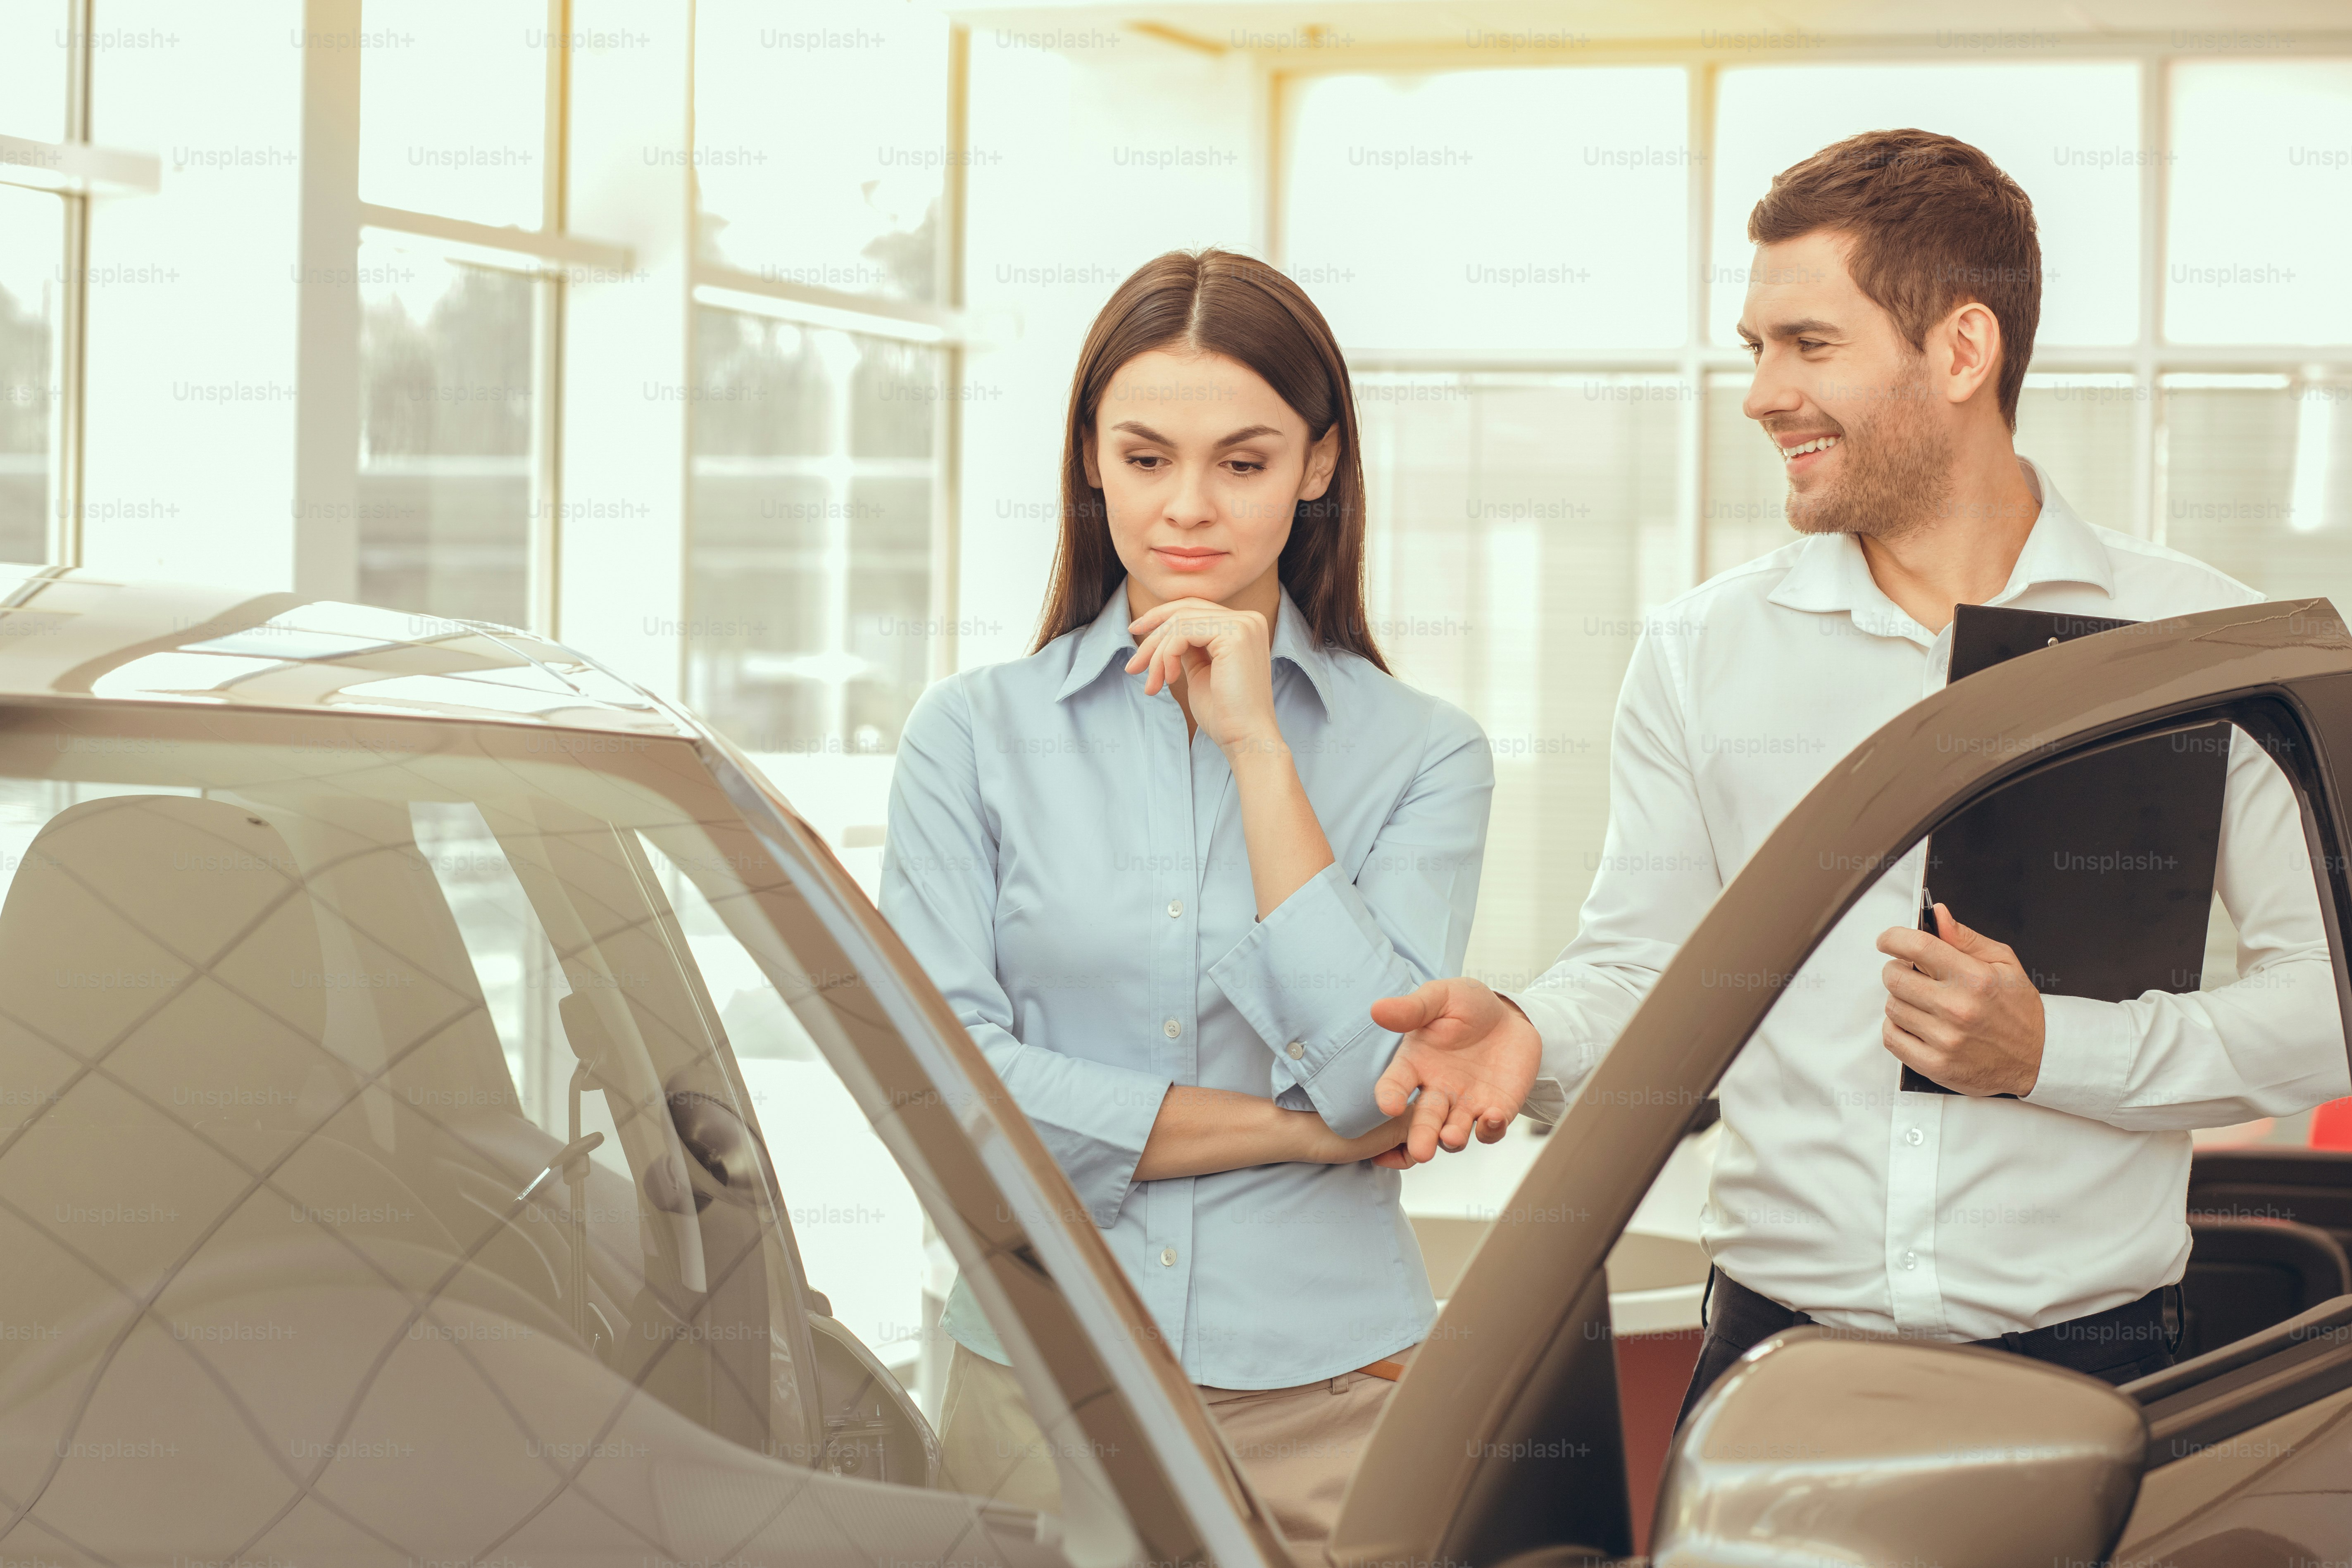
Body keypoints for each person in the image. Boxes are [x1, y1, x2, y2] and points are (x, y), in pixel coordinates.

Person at [1366, 129, 2351, 1418]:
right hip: (1773, 1366)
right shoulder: (1701, 650)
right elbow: (1649, 973)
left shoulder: (2202, 647)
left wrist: (2049, 1049)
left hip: (2100, 1371)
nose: (1761, 393)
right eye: (1754, 347)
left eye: (1807, 345)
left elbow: (2327, 1004)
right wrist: (1532, 1030)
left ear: (1960, 349)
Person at [880, 248, 1493, 1557]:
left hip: (1330, 1402)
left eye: (1246, 460)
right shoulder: (970, 736)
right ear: (1090, 460)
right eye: (1147, 458)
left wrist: (1258, 750)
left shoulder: (1426, 753)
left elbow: (1374, 1076)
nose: (1188, 510)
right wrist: (1296, 1136)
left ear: (1319, 466)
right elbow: (948, 1087)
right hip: (1033, 1386)